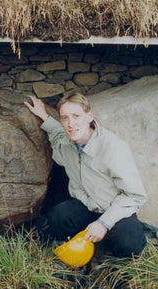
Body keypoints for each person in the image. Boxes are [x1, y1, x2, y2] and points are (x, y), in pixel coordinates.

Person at [24, 93, 147, 260]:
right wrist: (44, 115)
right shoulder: (67, 142)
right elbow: (56, 133)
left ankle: (106, 254)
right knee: (56, 218)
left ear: (89, 116)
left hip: (114, 210)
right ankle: (80, 247)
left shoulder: (113, 148)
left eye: (76, 116)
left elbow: (134, 196)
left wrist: (104, 223)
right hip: (86, 207)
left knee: (130, 243)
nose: (71, 123)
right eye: (65, 118)